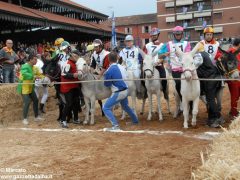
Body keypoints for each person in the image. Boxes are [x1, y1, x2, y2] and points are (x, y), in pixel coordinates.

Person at [103, 52, 139, 131]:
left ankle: (115, 126)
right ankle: (135, 121)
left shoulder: (109, 70)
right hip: (126, 90)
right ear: (117, 59)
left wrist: (106, 77)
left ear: (108, 60)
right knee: (125, 106)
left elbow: (107, 84)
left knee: (105, 107)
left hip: (118, 92)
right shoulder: (121, 66)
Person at [196, 27, 224, 128]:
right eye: (207, 34)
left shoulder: (217, 44)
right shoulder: (201, 43)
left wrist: (219, 57)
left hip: (212, 70)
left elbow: (218, 55)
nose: (209, 36)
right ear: (204, 35)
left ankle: (216, 117)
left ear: (212, 35)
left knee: (210, 97)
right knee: (209, 97)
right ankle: (212, 117)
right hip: (204, 70)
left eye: (210, 34)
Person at [158, 26, 191, 100]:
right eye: (176, 34)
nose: (178, 35)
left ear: (182, 34)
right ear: (174, 35)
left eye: (179, 34)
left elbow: (188, 55)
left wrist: (182, 53)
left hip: (186, 68)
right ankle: (183, 100)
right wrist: (164, 54)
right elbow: (159, 56)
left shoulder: (187, 43)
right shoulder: (168, 44)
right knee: (178, 83)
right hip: (175, 69)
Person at [17, 54, 44, 125]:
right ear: (30, 59)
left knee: (35, 100)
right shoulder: (24, 66)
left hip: (31, 86)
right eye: (35, 59)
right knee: (27, 101)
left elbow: (40, 74)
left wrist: (44, 77)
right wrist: (34, 76)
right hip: (24, 87)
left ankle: (36, 116)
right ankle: (25, 119)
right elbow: (25, 74)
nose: (36, 61)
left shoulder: (35, 67)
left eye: (36, 59)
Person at [143, 27, 167, 96]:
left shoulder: (162, 45)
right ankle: (145, 91)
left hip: (158, 65)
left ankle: (164, 91)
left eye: (155, 35)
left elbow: (163, 56)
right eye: (152, 36)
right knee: (142, 76)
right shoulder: (147, 45)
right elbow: (144, 56)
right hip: (149, 66)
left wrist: (159, 62)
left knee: (164, 77)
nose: (153, 37)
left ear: (158, 35)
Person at [60, 50, 81, 128]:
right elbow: (64, 74)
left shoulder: (75, 63)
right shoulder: (67, 63)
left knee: (76, 102)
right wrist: (73, 75)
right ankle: (63, 120)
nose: (77, 58)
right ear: (72, 56)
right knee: (69, 104)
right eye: (76, 56)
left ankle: (75, 118)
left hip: (74, 86)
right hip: (67, 87)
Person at [227, 38, 240, 118]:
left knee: (236, 95)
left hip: (237, 77)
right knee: (235, 95)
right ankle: (233, 113)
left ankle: (233, 111)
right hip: (234, 77)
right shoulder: (231, 51)